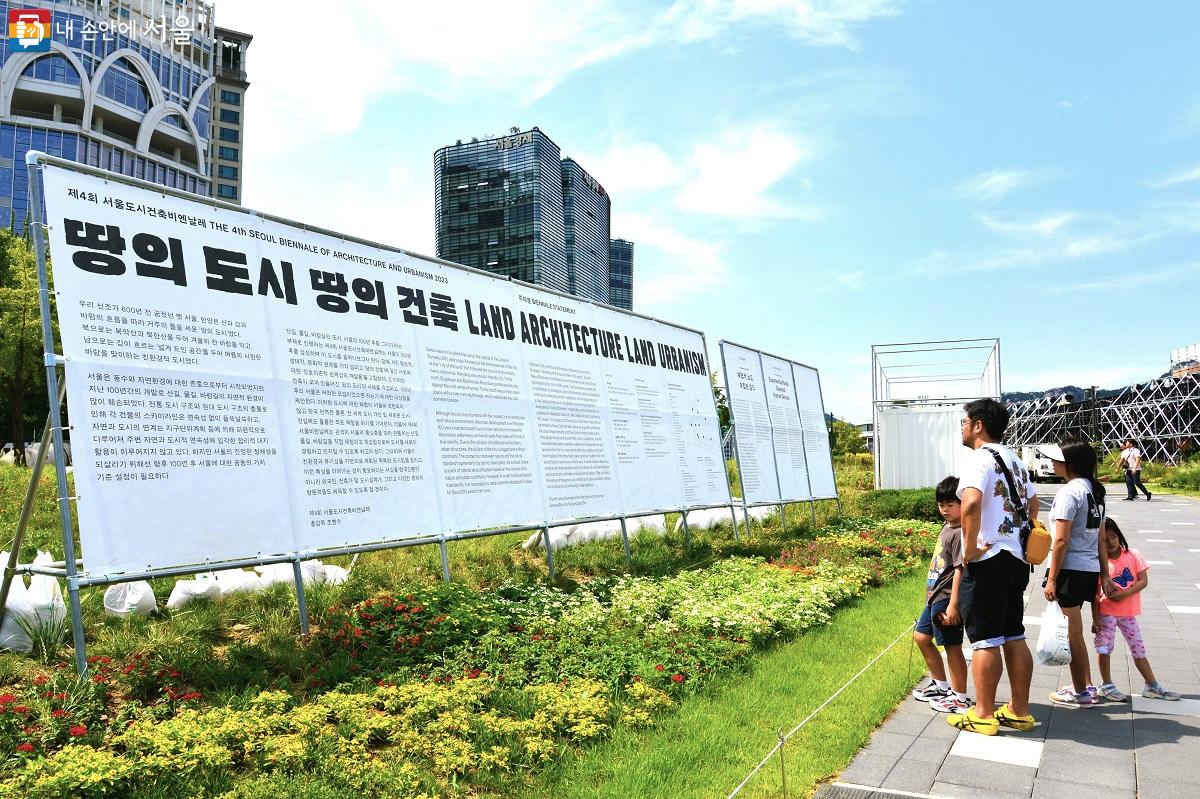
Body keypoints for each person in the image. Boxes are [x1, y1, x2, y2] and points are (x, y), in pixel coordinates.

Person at [946, 398, 1038, 736]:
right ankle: (1019, 711)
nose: (962, 427)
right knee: (1014, 633)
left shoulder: (979, 459)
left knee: (985, 639)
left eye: (964, 421)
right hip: (1016, 558)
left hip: (989, 558)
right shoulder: (1014, 459)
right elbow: (1033, 501)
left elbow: (969, 502)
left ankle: (983, 713)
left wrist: (969, 549)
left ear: (978, 425)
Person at [1040, 441, 1109, 707]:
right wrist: (1104, 574)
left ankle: (1081, 691)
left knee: (1072, 633)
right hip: (1088, 569)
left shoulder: (1070, 492)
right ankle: (1087, 685)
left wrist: (1053, 578)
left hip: (1069, 569)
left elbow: (1060, 541)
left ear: (1069, 464)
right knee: (1075, 632)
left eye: (1058, 460)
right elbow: (1101, 538)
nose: (1053, 464)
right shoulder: (1095, 492)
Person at [1092, 518, 1180, 701]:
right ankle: (1106, 684)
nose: (1111, 542)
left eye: (1114, 537)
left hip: (1128, 613)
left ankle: (1152, 685)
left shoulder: (1133, 555)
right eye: (1105, 540)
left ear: (1119, 536)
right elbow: (1095, 594)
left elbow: (1143, 581)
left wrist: (1124, 594)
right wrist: (1095, 618)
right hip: (1106, 613)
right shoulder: (1101, 563)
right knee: (1104, 649)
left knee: (1138, 648)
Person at [911, 476, 969, 714]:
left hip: (947, 598)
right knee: (921, 636)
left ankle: (960, 697)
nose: (944, 509)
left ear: (964, 503)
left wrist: (954, 604)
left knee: (952, 647)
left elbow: (960, 570)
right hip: (935, 596)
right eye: (941, 504)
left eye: (950, 504)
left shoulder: (960, 532)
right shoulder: (948, 527)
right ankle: (941, 685)